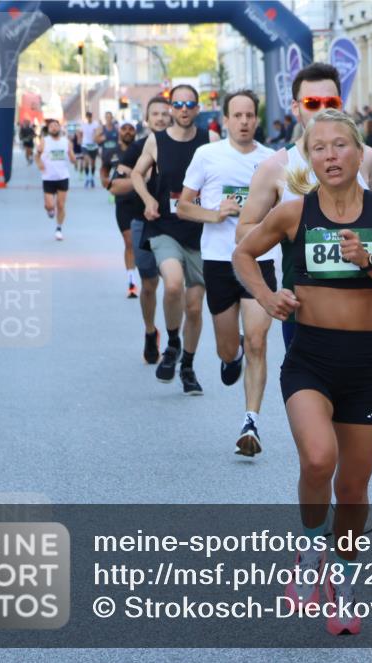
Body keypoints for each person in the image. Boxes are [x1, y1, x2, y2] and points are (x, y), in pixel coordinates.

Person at [233, 109, 372, 635]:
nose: (330, 155)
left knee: (355, 489)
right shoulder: (293, 213)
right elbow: (243, 254)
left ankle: (342, 578)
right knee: (319, 459)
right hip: (309, 359)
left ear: (360, 153)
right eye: (319, 148)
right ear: (308, 159)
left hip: (365, 367)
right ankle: (310, 550)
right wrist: (266, 296)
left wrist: (370, 262)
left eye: (340, 145)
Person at [238, 62, 372, 352]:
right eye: (313, 103)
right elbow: (244, 231)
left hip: (361, 305)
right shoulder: (275, 167)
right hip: (304, 309)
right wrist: (283, 233)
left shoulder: (365, 157)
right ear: (296, 108)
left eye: (331, 102)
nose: (323, 110)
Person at [176, 89, 276, 456]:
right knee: (229, 347)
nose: (244, 121)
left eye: (250, 115)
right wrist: (215, 213)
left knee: (258, 342)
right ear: (226, 120)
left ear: (256, 119)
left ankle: (251, 423)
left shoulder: (272, 161)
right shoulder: (207, 155)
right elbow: (183, 206)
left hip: (261, 259)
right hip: (219, 260)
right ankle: (230, 356)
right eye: (238, 115)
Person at [131, 85, 210, 395]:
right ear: (172, 108)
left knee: (195, 307)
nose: (183, 110)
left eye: (189, 104)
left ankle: (187, 366)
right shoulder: (157, 140)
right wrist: (148, 199)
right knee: (174, 285)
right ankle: (173, 341)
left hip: (201, 231)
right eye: (178, 104)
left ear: (197, 108)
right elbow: (136, 174)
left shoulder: (209, 140)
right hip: (165, 226)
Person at [111, 96, 172, 364]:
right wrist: (143, 179)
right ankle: (150, 331)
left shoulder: (185, 146)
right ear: (147, 120)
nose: (160, 118)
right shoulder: (136, 149)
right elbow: (115, 186)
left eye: (164, 113)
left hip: (176, 223)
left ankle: (175, 339)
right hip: (142, 221)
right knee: (149, 285)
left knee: (175, 283)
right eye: (155, 114)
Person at [100, 121, 139, 297]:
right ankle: (131, 281)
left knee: (144, 244)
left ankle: (146, 273)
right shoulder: (111, 152)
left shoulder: (142, 150)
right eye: (124, 129)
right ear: (119, 132)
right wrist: (107, 183)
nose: (128, 132)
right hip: (122, 203)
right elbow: (104, 170)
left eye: (131, 129)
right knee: (129, 242)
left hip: (142, 201)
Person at [35, 119, 76, 241]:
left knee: (61, 205)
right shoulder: (44, 141)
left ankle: (59, 228)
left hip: (63, 177)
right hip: (48, 177)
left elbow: (72, 157)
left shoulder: (66, 142)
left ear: (59, 128)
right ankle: (50, 210)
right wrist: (39, 163)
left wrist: (73, 159)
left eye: (56, 125)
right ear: (48, 129)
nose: (54, 127)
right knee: (49, 205)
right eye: (51, 126)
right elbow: (37, 155)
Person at [79, 111, 100, 188]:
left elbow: (97, 132)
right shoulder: (83, 124)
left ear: (92, 117)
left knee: (93, 163)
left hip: (94, 145)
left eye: (90, 116)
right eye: (88, 117)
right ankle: (87, 177)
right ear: (86, 117)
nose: (89, 118)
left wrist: (96, 135)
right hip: (85, 145)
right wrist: (80, 140)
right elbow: (80, 133)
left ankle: (92, 178)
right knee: (87, 160)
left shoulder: (95, 124)